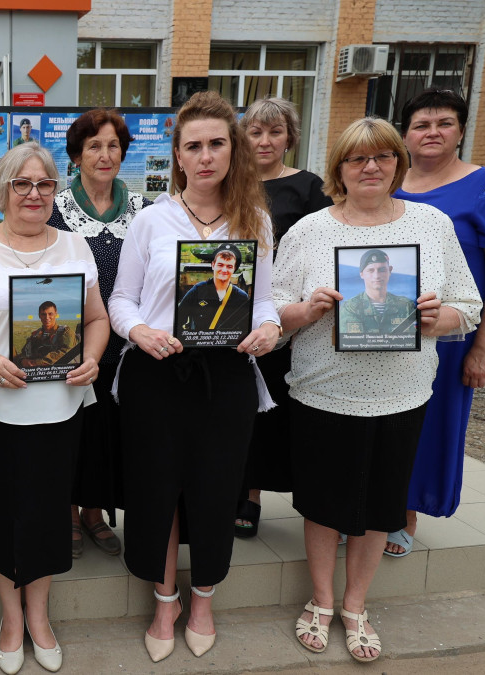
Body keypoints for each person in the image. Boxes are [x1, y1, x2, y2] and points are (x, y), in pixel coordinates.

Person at [273, 117, 482, 663]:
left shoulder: (432, 225)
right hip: (323, 392)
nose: (371, 167)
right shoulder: (309, 232)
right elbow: (270, 314)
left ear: (398, 163)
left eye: (383, 156)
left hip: (402, 394)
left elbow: (469, 306)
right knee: (323, 503)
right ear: (338, 168)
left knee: (379, 506)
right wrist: (306, 310)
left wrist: (439, 318)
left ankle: (356, 605)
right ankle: (321, 599)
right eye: (357, 158)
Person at [108, 90, 281, 662]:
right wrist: (139, 332)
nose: (206, 156)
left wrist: (270, 327)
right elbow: (121, 299)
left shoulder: (254, 219)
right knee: (156, 489)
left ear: (233, 150)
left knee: (215, 490)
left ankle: (203, 598)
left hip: (225, 377)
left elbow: (264, 301)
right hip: (157, 374)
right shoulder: (150, 220)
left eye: (216, 144)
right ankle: (164, 601)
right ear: (177, 155)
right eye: (193, 146)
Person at [0, 142, 109, 675]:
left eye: (44, 184)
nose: (34, 193)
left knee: (48, 514)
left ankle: (39, 616)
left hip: (59, 408)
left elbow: (97, 319)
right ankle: (11, 619)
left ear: (56, 190)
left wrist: (93, 358)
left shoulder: (75, 247)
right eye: (22, 183)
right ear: (2, 189)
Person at [390, 88, 485, 556]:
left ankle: (404, 513)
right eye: (421, 125)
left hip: (449, 335)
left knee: (430, 424)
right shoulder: (388, 182)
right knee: (376, 423)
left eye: (444, 123)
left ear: (461, 131)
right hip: (384, 331)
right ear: (405, 135)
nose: (432, 133)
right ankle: (368, 507)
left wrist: (484, 348)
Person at [47, 108, 151, 558]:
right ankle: (67, 512)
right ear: (76, 156)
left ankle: (94, 512)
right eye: (94, 146)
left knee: (109, 434)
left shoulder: (145, 211)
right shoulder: (55, 210)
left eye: (113, 146)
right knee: (73, 431)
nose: (105, 155)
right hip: (72, 346)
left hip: (129, 346)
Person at [234, 96, 333, 538]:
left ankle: (252, 495)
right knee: (234, 408)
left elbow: (322, 250)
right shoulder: (230, 183)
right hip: (231, 308)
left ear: (290, 137)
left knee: (269, 409)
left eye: (275, 132)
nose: (265, 141)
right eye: (255, 132)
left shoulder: (310, 188)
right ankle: (230, 490)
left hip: (284, 317)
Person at [338, 249, 418, 336]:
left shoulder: (406, 306)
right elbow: (351, 341)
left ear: (390, 271)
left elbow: (413, 339)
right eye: (370, 270)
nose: (376, 276)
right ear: (361, 274)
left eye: (382, 270)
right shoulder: (350, 308)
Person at [176, 243, 252, 332]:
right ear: (213, 265)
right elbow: (179, 319)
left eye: (229, 266)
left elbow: (245, 328)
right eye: (220, 265)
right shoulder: (198, 290)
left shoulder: (241, 297)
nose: (224, 270)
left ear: (234, 269)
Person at [17, 301, 77, 366]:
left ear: (56, 314)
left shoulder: (65, 332)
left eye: (50, 314)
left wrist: (37, 362)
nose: (47, 317)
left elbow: (66, 352)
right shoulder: (36, 335)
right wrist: (23, 360)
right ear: (39, 316)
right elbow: (25, 352)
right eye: (43, 314)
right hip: (37, 369)